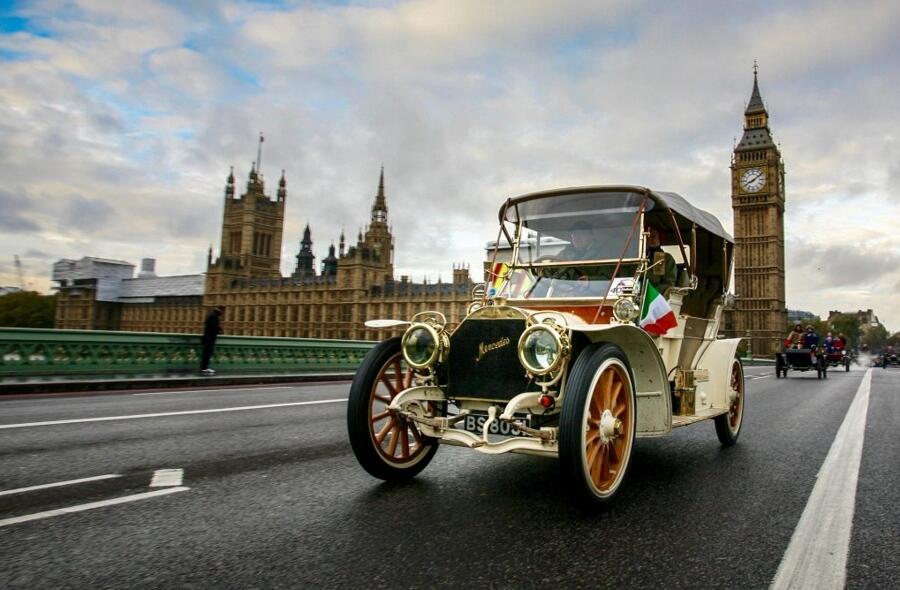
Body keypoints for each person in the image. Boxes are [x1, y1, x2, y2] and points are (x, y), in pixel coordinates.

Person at [646, 225, 676, 295]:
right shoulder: (635, 257)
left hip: (655, 296)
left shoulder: (666, 258)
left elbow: (669, 283)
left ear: (659, 238)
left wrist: (651, 293)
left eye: (653, 236)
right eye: (646, 236)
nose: (649, 239)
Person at [200, 305, 225, 375]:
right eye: (223, 311)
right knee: (207, 353)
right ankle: (204, 368)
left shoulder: (211, 314)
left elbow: (207, 324)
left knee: (207, 353)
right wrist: (219, 330)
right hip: (210, 337)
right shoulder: (214, 315)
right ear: (220, 310)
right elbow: (213, 326)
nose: (223, 313)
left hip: (207, 336)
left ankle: (204, 367)